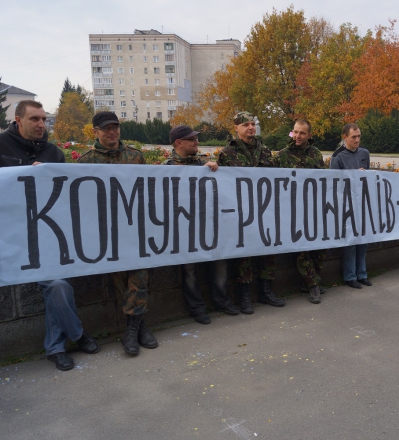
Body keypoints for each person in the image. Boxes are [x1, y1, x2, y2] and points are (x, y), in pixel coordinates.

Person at [0, 100, 99, 370]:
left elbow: (68, 196)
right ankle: (76, 335)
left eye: (44, 119)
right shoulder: (2, 147)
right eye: (35, 119)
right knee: (56, 284)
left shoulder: (54, 153)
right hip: (16, 238)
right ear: (18, 121)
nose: (42, 124)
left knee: (57, 284)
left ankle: (56, 347)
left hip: (52, 236)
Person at [77, 111, 158, 356]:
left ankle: (132, 332)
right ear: (96, 131)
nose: (111, 132)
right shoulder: (85, 162)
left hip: (135, 230)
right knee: (120, 282)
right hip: (106, 234)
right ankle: (138, 328)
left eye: (115, 127)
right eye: (106, 128)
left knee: (139, 277)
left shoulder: (136, 156)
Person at [163, 125, 240, 323]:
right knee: (189, 270)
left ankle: (221, 301)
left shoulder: (203, 162)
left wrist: (214, 168)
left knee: (220, 263)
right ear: (179, 143)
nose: (196, 142)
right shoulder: (166, 167)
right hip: (185, 228)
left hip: (211, 226)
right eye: (192, 139)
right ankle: (197, 308)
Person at [216, 111, 286, 313]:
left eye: (253, 124)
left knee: (268, 250)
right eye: (246, 124)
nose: (251, 128)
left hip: (264, 211)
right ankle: (245, 295)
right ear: (236, 128)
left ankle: (265, 291)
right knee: (243, 254)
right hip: (240, 213)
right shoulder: (227, 154)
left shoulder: (264, 152)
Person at [273, 120, 327, 304]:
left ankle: (311, 281)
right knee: (302, 250)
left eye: (302, 133)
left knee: (320, 249)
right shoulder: (282, 156)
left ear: (309, 135)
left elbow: (323, 180)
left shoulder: (316, 154)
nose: (297, 136)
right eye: (295, 132)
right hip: (292, 212)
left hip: (312, 210)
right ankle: (313, 285)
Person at [330, 123, 372, 289]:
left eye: (359, 136)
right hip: (346, 202)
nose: (357, 140)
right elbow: (333, 182)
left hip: (362, 200)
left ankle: (362, 273)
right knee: (350, 241)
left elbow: (367, 176)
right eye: (354, 137)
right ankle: (350, 276)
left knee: (363, 239)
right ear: (345, 137)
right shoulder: (337, 156)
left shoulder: (364, 153)